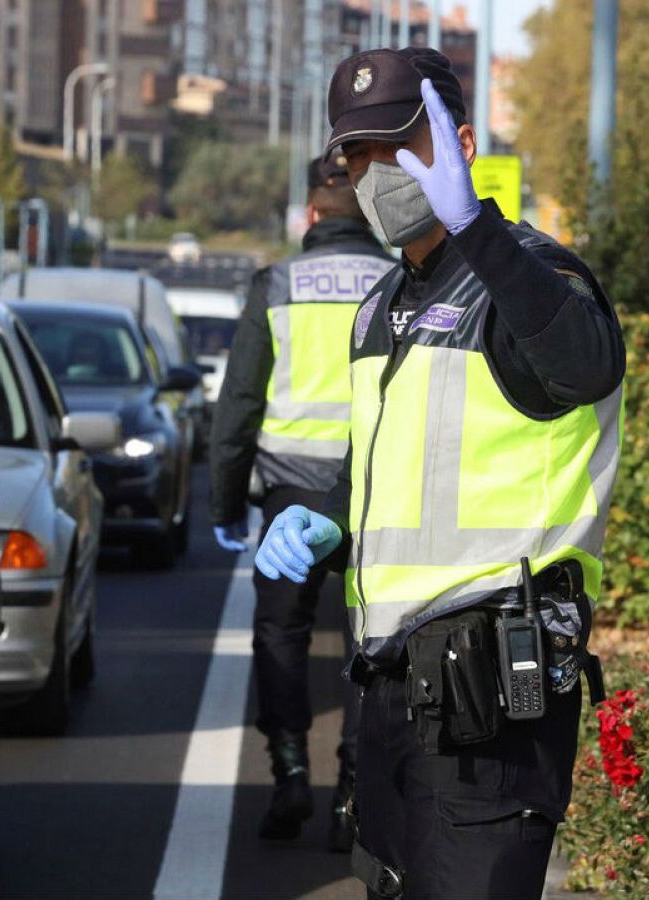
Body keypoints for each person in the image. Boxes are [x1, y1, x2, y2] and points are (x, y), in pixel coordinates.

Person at [253, 47, 624, 899]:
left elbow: (584, 366)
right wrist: (330, 514)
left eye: (396, 146)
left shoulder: (530, 279)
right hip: (389, 689)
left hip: (488, 689)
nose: (374, 172)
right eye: (357, 155)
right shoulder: (386, 303)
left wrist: (479, 234)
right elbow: (393, 467)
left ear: (458, 145)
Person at [209, 153, 396, 851]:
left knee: (280, 634)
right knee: (367, 646)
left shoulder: (277, 283)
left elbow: (239, 404)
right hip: (373, 495)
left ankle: (289, 773)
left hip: (288, 495)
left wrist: (226, 504)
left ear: (311, 216)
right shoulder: (400, 281)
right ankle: (351, 792)